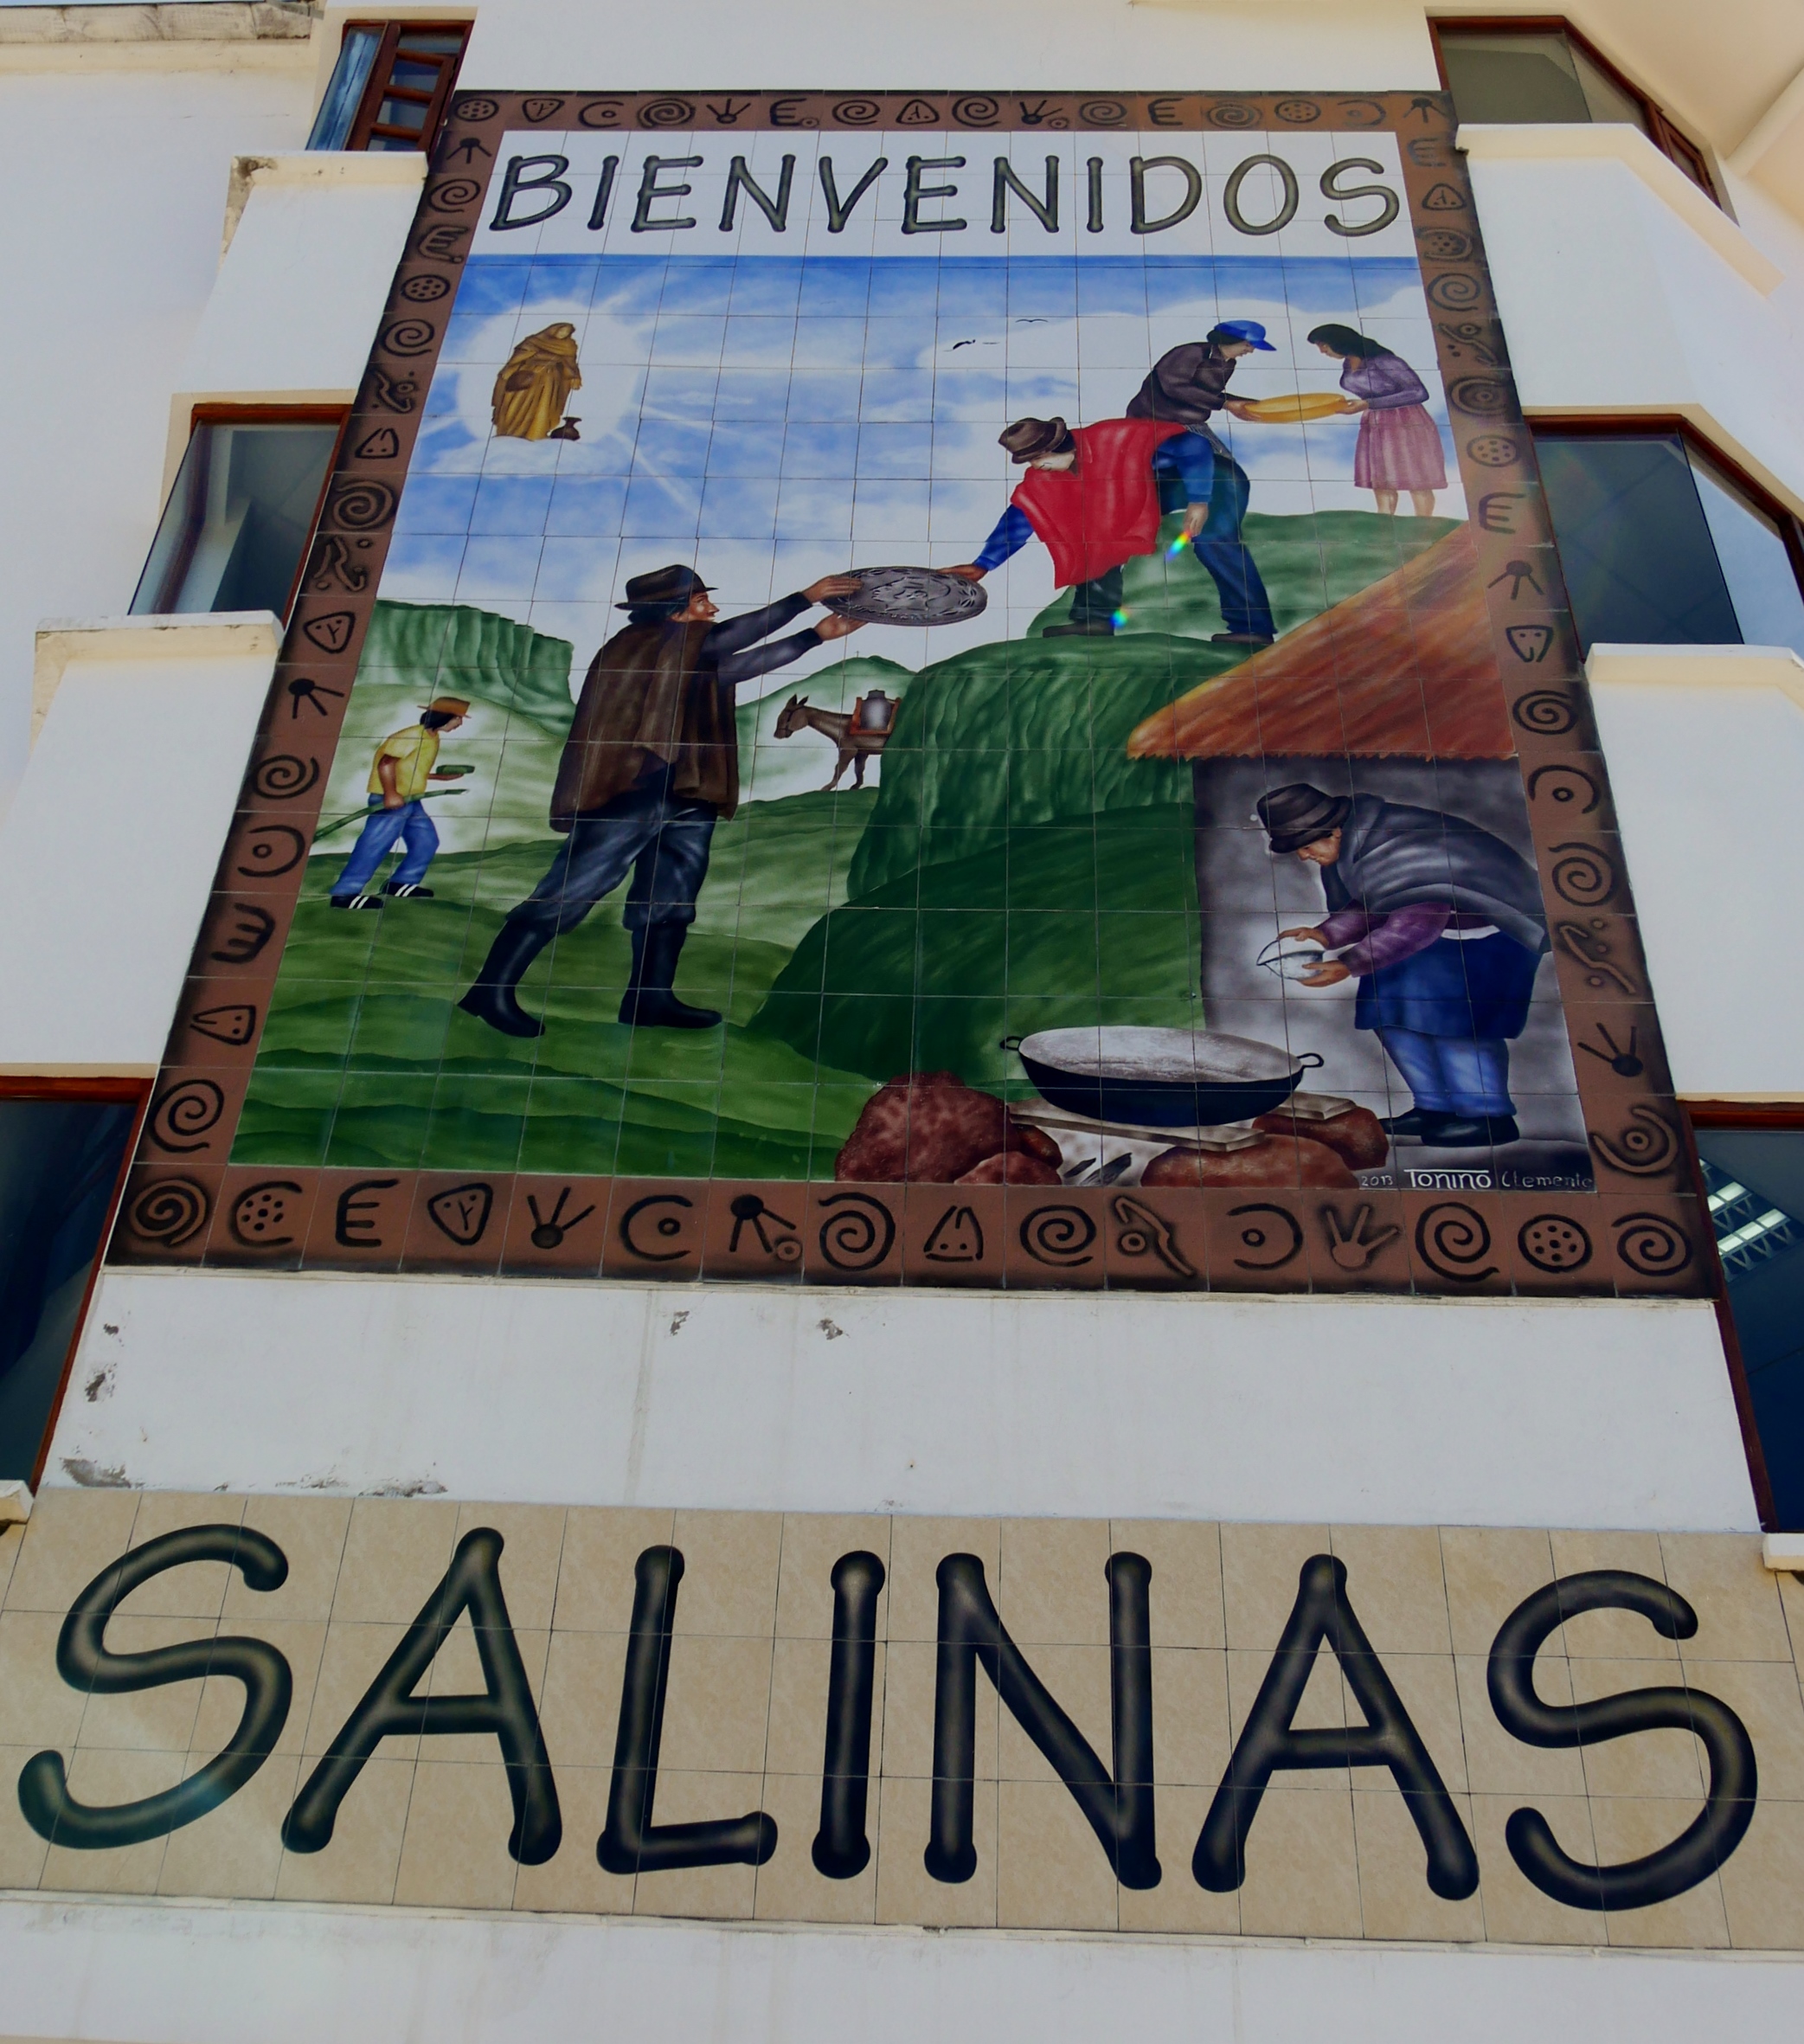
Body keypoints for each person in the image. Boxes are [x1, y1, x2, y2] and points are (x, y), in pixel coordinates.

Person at [458, 564, 863, 1037]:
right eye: (699, 603)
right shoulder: (639, 647)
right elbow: (728, 640)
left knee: (670, 898)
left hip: (688, 791)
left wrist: (815, 636)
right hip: (630, 792)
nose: (711, 609)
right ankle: (489, 992)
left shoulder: (685, 654)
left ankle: (649, 1000)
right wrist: (803, 599)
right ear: (671, 612)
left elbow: (732, 668)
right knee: (569, 891)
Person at [1257, 782, 1549, 1149]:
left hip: (1486, 939)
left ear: (1334, 831)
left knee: (1456, 1024)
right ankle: (1434, 1107)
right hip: (1426, 937)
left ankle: (1487, 1116)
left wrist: (1348, 964)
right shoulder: (1360, 848)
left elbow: (1416, 923)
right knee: (1389, 1013)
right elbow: (1376, 904)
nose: (1304, 856)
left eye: (1306, 845)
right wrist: (1324, 935)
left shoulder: (1399, 845)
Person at [948, 408, 1274, 646]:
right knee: (1093, 536)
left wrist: (1199, 500)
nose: (1035, 466)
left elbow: (1194, 446)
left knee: (1214, 542)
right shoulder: (1046, 476)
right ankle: (1093, 621)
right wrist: (983, 564)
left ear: (1058, 446)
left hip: (1210, 479)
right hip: (1144, 491)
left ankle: (1252, 628)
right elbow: (1021, 516)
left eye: (1037, 457)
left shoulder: (1113, 436)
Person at [330, 696, 469, 910]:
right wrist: (390, 793)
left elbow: (409, 769)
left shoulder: (431, 737)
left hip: (410, 799)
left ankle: (400, 883)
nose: (459, 723)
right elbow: (386, 764)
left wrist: (439, 777)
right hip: (391, 799)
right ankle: (345, 894)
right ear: (443, 717)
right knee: (374, 844)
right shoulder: (412, 736)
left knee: (426, 841)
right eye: (457, 718)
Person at [1306, 324, 1447, 517]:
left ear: (1340, 342)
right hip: (1375, 422)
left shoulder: (1384, 360)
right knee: (1381, 479)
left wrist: (1368, 403)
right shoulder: (1349, 362)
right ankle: (1384, 522)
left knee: (1415, 477)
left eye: (1324, 345)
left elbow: (1418, 392)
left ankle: (1425, 524)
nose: (1323, 351)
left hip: (1406, 421)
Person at [491, 322, 583, 442]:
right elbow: (518, 358)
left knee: (543, 406)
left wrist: (575, 377)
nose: (563, 334)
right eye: (562, 331)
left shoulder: (569, 346)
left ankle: (535, 433)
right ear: (553, 330)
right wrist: (510, 368)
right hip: (528, 376)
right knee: (517, 404)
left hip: (549, 379)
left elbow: (571, 364)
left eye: (567, 333)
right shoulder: (534, 341)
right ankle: (511, 431)